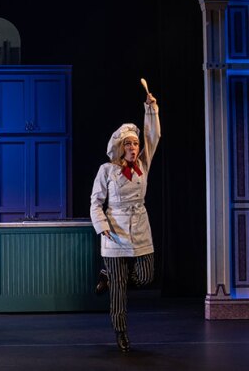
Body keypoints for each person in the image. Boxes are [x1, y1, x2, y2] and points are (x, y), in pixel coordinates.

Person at [90, 91, 160, 352]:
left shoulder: (144, 164)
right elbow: (96, 202)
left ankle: (108, 275)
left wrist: (150, 109)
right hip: (115, 231)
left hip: (140, 225)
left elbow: (153, 136)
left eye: (135, 144)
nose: (133, 148)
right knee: (119, 289)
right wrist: (103, 227)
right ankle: (120, 332)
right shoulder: (107, 170)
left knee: (145, 275)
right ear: (120, 148)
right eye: (128, 145)